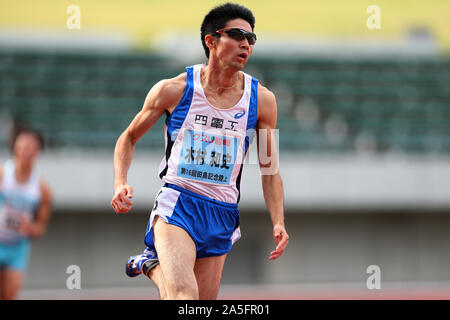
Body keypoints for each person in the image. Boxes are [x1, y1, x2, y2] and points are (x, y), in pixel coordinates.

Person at [111, 2, 289, 300]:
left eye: (251, 39)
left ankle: (150, 264)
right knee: (184, 297)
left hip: (222, 212)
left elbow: (270, 169)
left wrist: (279, 221)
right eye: (236, 35)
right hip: (178, 203)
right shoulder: (174, 90)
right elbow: (128, 138)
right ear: (211, 40)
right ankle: (156, 265)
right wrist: (120, 181)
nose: (246, 43)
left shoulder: (263, 101)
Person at [0, 127, 52, 300]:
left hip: (17, 248)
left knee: (9, 295)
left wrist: (30, 228)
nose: (26, 151)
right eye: (23, 146)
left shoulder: (42, 189)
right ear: (15, 147)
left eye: (31, 147)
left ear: (38, 151)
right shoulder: (2, 175)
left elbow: (41, 228)